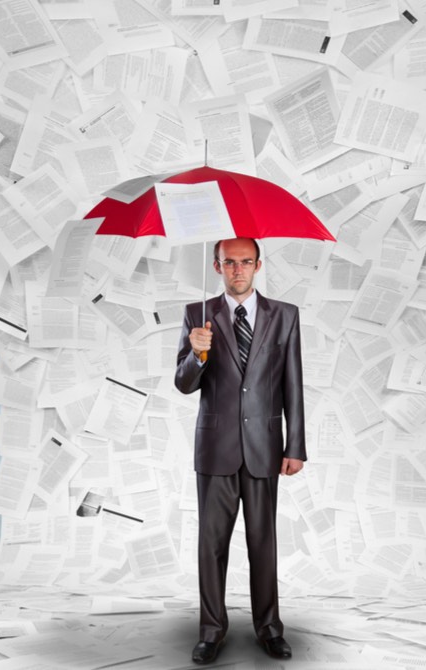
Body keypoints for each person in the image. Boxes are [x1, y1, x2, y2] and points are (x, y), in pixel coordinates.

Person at [174, 237, 306, 665]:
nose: (237, 270)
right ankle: (211, 631)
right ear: (217, 266)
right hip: (215, 448)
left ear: (258, 265)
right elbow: (183, 383)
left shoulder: (284, 315)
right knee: (210, 545)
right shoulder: (198, 315)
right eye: (229, 263)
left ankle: (269, 628)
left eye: (245, 262)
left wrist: (296, 445)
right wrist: (197, 354)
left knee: (262, 542)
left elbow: (292, 383)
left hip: (265, 447)